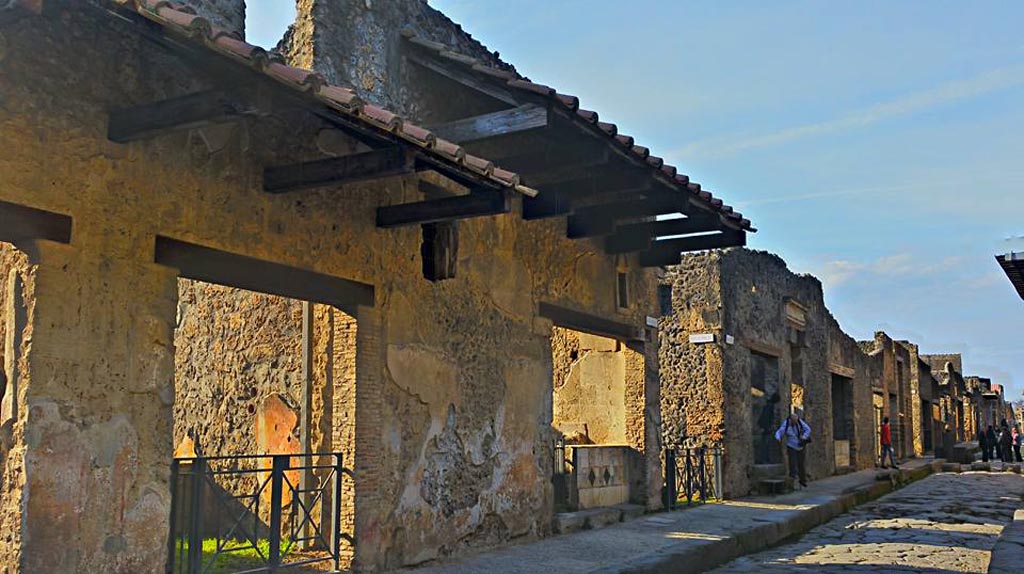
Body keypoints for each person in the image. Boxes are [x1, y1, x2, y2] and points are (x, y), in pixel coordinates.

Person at [775, 408, 811, 487]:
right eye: (793, 421)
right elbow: (780, 431)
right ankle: (792, 480)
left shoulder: (800, 422)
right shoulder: (786, 423)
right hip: (791, 445)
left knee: (801, 464)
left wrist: (804, 437)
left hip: (800, 446)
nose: (795, 423)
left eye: (796, 421)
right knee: (792, 463)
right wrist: (778, 438)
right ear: (790, 420)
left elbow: (808, 429)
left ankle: (802, 480)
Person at [757, 392, 781, 463]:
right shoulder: (770, 406)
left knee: (765, 444)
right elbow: (766, 418)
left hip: (765, 427)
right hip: (766, 428)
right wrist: (768, 428)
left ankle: (765, 459)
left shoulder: (768, 405)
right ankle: (765, 460)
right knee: (766, 445)